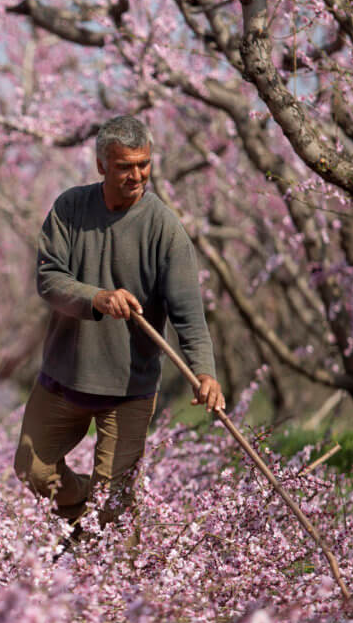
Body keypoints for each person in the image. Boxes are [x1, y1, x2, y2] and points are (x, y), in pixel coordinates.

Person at [14, 115, 224, 542]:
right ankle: (81, 512)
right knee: (32, 469)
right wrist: (97, 298)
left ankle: (112, 591)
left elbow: (188, 313)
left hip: (128, 390)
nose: (136, 175)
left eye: (143, 164)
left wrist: (204, 372)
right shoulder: (70, 209)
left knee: (115, 512)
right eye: (125, 166)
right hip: (63, 378)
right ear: (101, 166)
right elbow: (49, 279)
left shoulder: (165, 229)